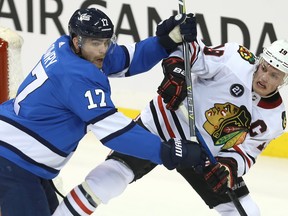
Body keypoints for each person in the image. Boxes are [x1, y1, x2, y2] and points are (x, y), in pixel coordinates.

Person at [52, 17, 288, 216]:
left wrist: (227, 167)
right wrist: (176, 72)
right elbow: (192, 54)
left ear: (284, 81)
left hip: (205, 154)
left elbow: (246, 152)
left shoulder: (276, 118)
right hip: (160, 125)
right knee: (107, 180)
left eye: (274, 75)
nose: (264, 77)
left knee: (246, 211)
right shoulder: (235, 59)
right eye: (264, 67)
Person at [0, 8, 205, 216]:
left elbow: (126, 59)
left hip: (22, 158)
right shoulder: (75, 76)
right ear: (76, 40)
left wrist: (165, 42)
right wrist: (169, 152)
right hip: (13, 161)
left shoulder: (72, 49)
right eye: (96, 44)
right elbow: (115, 133)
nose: (103, 50)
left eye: (107, 42)